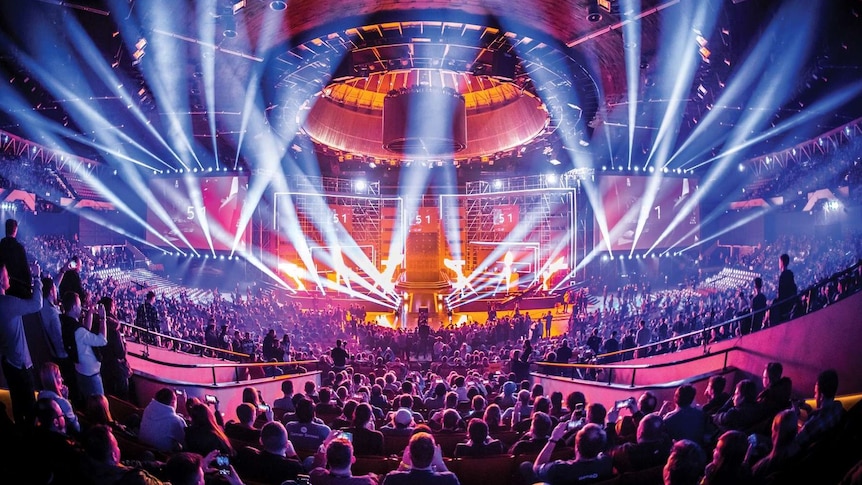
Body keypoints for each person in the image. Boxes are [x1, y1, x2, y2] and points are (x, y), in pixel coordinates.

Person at [0, 262, 43, 426]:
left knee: (17, 406)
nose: (9, 276)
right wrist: (37, 277)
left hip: (7, 362)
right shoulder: (7, 303)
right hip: (20, 365)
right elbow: (36, 304)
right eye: (5, 273)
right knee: (30, 410)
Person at [60, 290, 107, 403]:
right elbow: (102, 340)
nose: (81, 308)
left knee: (88, 403)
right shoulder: (77, 330)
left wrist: (90, 312)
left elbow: (85, 330)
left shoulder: (65, 322)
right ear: (74, 307)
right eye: (80, 305)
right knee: (99, 406)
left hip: (80, 370)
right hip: (91, 375)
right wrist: (103, 318)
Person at [530, 422, 614, 485]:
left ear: (576, 447)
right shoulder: (607, 463)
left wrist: (553, 439)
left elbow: (536, 468)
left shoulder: (558, 469)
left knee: (526, 466)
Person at [81, 424, 166, 485]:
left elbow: (124, 464)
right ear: (113, 456)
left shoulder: (89, 465)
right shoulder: (136, 479)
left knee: (148, 455)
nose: (118, 448)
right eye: (117, 446)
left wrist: (155, 465)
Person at [787, 368, 845, 458]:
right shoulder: (838, 408)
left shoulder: (812, 424)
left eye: (815, 393)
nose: (814, 396)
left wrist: (795, 417)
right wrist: (810, 411)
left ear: (821, 396)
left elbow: (795, 443)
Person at [235, 421, 304, 484]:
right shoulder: (294, 467)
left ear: (260, 441)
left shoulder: (246, 455)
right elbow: (304, 478)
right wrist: (293, 455)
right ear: (286, 445)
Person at [382, 432, 459, 485]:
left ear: (409, 455)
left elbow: (395, 478)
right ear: (434, 455)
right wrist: (440, 464)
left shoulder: (392, 479)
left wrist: (403, 465)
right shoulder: (449, 479)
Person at [309, 433, 379, 485]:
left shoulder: (316, 477)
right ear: (353, 459)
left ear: (326, 457)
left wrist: (325, 445)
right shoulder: (367, 482)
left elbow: (316, 468)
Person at [98, 296, 132, 401]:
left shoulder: (96, 322)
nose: (115, 308)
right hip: (115, 370)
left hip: (102, 366)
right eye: (113, 306)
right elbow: (120, 353)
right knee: (120, 399)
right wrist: (124, 344)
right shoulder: (113, 327)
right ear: (110, 308)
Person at [37, 361, 81, 435]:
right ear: (54, 380)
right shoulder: (62, 402)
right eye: (60, 377)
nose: (62, 379)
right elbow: (76, 428)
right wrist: (65, 400)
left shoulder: (40, 396)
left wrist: (64, 397)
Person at [751, 409, 798, 480]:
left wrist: (746, 461)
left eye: (772, 429)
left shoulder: (764, 466)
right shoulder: (796, 450)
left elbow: (749, 478)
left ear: (776, 431)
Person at [138, 387, 187, 453]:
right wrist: (185, 407)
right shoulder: (176, 421)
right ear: (173, 402)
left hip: (141, 447)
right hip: (161, 455)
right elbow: (185, 442)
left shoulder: (148, 408)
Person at [0, 218, 33, 298]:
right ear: (16, 230)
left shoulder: (1, 247)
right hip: (18, 291)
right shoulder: (19, 248)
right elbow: (25, 271)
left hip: (2, 289)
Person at [774, 253, 798, 324]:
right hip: (790, 301)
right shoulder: (790, 273)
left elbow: (781, 293)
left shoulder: (783, 275)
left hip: (785, 304)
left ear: (781, 262)